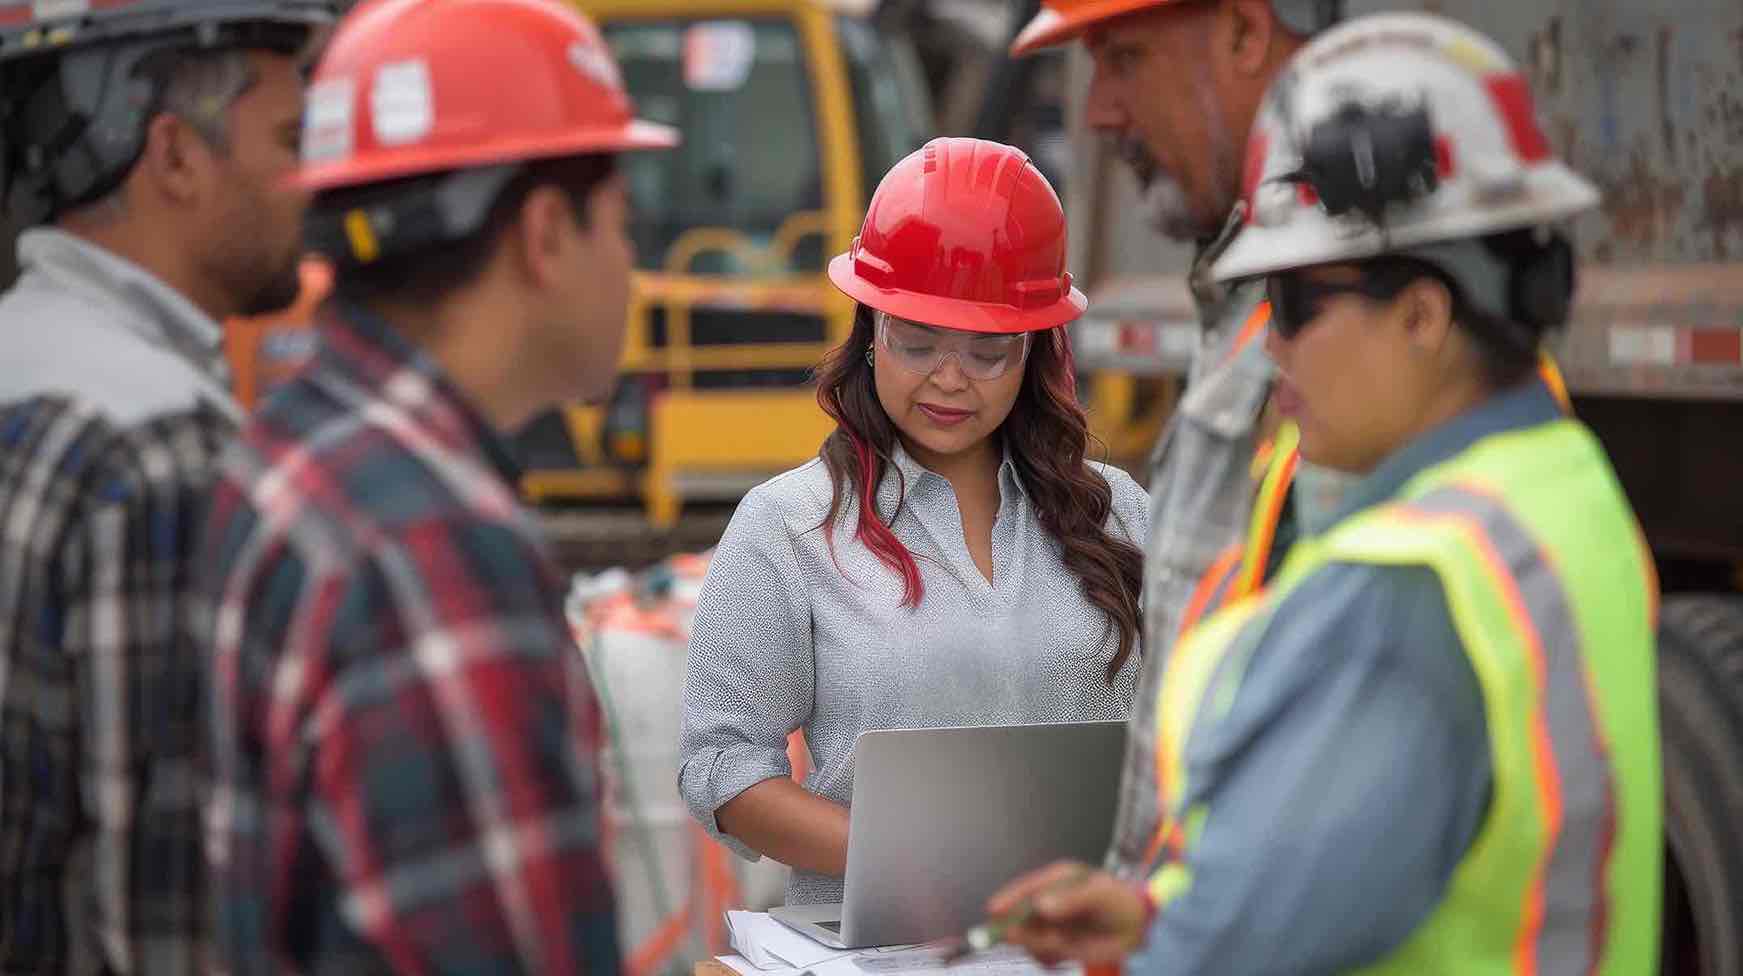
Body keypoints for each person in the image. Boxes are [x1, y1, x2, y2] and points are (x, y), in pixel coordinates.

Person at [990, 13, 1662, 973]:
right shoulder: (1559, 484)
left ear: (1423, 314)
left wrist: (1169, 944)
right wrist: (1158, 920)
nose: (1269, 341)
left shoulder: (1399, 594)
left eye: (1298, 302)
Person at [195, 0, 676, 970]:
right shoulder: (436, 550)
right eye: (623, 222)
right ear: (545, 232)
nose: (631, 265)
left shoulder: (289, 450)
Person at [679, 137, 1150, 905]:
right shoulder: (789, 529)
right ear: (869, 334)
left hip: (1087, 942)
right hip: (876, 945)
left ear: (1035, 348)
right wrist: (914, 859)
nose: (948, 379)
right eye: (916, 342)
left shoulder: (1119, 514)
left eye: (986, 352)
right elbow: (723, 767)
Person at [0, 2, 332, 970]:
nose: (310, 184)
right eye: (288, 140)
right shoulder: (162, 449)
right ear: (176, 156)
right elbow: (167, 903)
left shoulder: (26, 360)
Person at [1008, 0, 1350, 880]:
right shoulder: (1254, 302)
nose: (1097, 111)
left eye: (1122, 58)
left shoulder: (1350, 333)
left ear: (1244, 32)